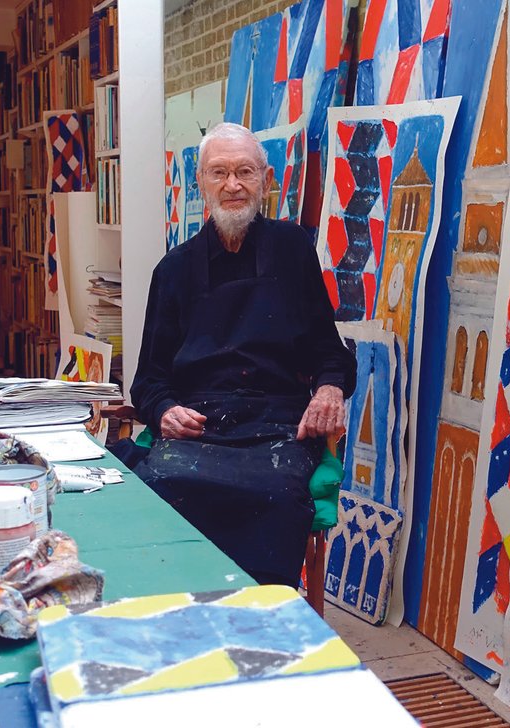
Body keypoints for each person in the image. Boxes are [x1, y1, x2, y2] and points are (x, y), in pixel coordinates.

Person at [131, 122, 356, 586]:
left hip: (277, 430)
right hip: (199, 430)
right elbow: (147, 381)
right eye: (219, 173)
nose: (232, 185)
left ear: (266, 180)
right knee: (160, 489)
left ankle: (263, 623)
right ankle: (176, 617)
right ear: (201, 184)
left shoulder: (293, 250)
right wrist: (166, 410)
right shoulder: (173, 270)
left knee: (275, 497)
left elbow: (329, 354)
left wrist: (330, 390)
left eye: (245, 172)